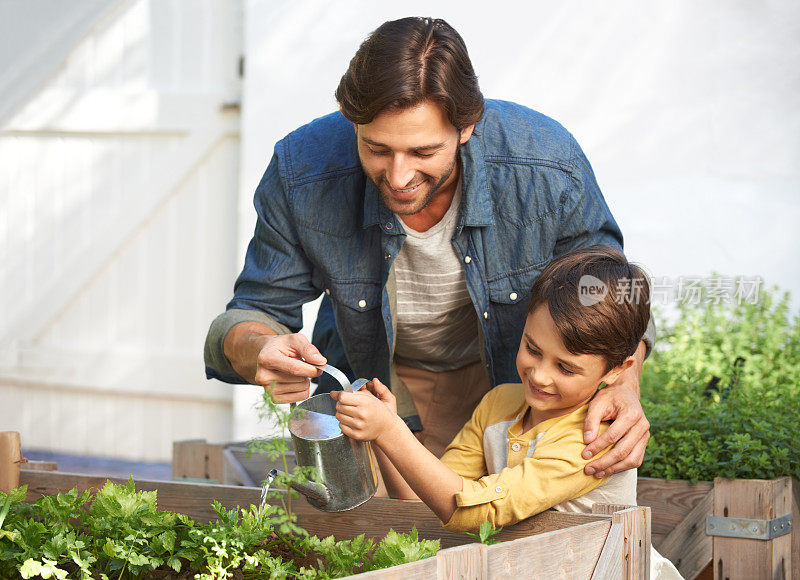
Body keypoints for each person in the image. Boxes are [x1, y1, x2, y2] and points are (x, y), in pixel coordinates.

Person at [203, 17, 654, 490]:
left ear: (467, 126)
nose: (398, 177)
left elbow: (608, 290)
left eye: (423, 151)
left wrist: (625, 381)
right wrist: (259, 347)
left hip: (509, 383)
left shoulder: (545, 166)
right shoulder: (302, 172)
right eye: (376, 148)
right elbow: (253, 312)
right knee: (387, 545)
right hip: (379, 383)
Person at [332, 246, 682, 578]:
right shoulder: (499, 403)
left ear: (617, 370)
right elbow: (429, 502)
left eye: (566, 368)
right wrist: (384, 433)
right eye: (532, 348)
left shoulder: (595, 437)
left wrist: (390, 431)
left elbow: (474, 512)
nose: (540, 375)